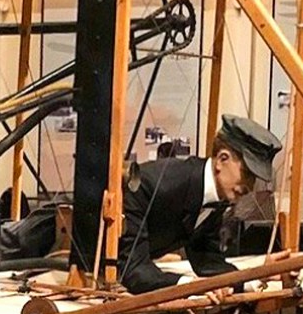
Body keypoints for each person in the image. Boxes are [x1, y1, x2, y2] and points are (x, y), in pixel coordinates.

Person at [117, 114, 282, 297]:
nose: (250, 187)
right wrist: (192, 286)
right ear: (222, 159)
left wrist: (256, 277)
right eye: (247, 173)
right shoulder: (152, 185)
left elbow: (207, 260)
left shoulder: (214, 198)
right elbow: (133, 270)